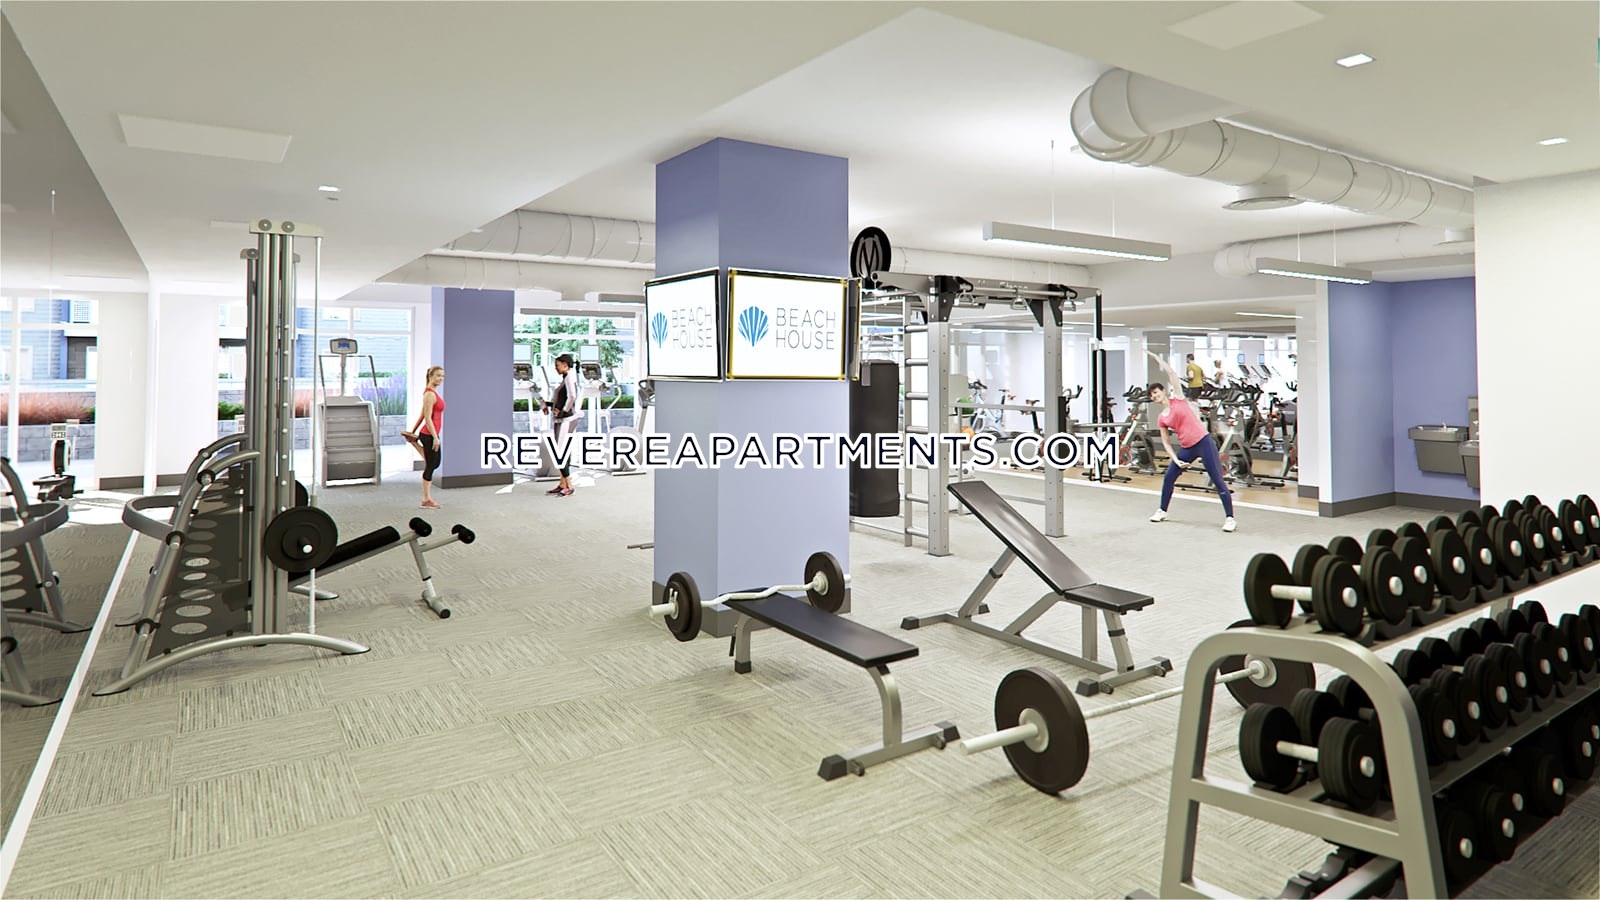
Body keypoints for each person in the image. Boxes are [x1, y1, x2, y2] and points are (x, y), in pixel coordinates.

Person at [1145, 351, 1236, 532]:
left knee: (1217, 479)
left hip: (1204, 442)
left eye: (1156, 392)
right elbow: (1166, 443)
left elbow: (1172, 374)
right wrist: (1176, 460)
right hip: (1187, 448)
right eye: (1152, 396)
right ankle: (1162, 510)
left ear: (1163, 391)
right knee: (1169, 477)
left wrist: (1157, 359)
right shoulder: (1162, 417)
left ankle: (1230, 518)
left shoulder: (1178, 399)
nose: (1154, 396)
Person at [402, 366, 445, 509]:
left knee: (434, 462)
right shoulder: (429, 395)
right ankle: (426, 499)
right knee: (431, 466)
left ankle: (413, 442)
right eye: (438, 375)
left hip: (430, 434)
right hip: (429, 435)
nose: (441, 378)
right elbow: (427, 418)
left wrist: (412, 431)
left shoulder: (432, 393)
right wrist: (435, 437)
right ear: (430, 376)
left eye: (442, 376)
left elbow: (422, 414)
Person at [545, 353, 579, 496]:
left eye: (557, 365)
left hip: (566, 420)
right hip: (561, 420)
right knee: (562, 451)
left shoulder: (570, 377)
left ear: (565, 365)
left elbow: (572, 396)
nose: (556, 368)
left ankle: (569, 485)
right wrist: (548, 405)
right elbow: (563, 398)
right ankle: (562, 483)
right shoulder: (566, 377)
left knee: (560, 452)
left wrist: (564, 411)